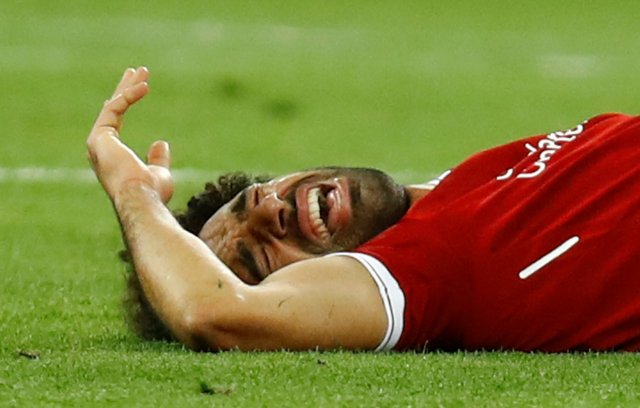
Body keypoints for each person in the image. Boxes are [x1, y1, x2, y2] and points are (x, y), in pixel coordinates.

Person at [88, 67, 640, 352]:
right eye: (259, 258)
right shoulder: (424, 270)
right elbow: (213, 314)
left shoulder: (460, 187)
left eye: (253, 197)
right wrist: (134, 195)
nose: (268, 212)